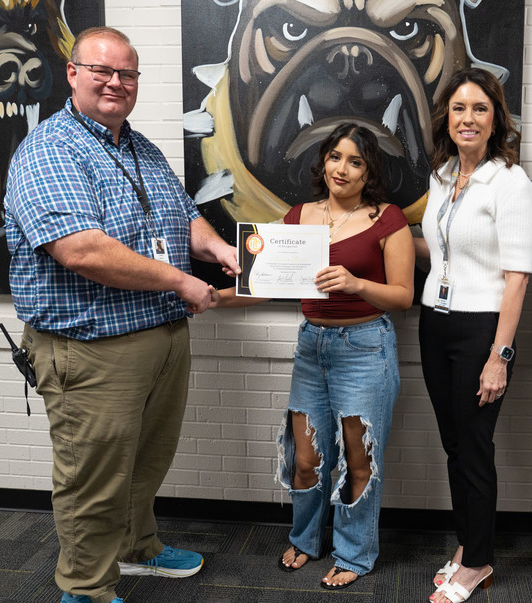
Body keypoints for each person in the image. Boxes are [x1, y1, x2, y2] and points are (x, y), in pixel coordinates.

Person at [4, 27, 241, 603]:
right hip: (92, 349)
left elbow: (181, 215)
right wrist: (182, 280)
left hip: (160, 335)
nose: (116, 82)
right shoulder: (50, 149)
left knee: (144, 463)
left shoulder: (140, 147)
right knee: (92, 477)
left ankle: (137, 548)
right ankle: (85, 588)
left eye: (127, 74)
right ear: (73, 74)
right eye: (102, 71)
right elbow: (81, 250)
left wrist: (219, 249)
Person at [215, 122, 415, 589]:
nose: (342, 169)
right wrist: (212, 298)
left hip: (365, 348)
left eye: (355, 161)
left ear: (369, 172)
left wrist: (357, 283)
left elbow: (404, 296)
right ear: (322, 161)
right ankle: (306, 540)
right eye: (335, 157)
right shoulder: (298, 216)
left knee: (359, 460)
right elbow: (264, 285)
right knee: (305, 459)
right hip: (312, 347)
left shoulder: (388, 219)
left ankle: (354, 554)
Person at [415, 67, 532, 603]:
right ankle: (468, 544)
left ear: (496, 120)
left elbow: (518, 277)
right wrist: (382, 236)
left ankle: (479, 562)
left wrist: (498, 356)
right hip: (434, 324)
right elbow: (442, 248)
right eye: (459, 108)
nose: (468, 118)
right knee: (453, 444)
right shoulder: (443, 176)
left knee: (474, 449)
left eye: (480, 109)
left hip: (480, 329)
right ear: (447, 117)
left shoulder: (510, 183)